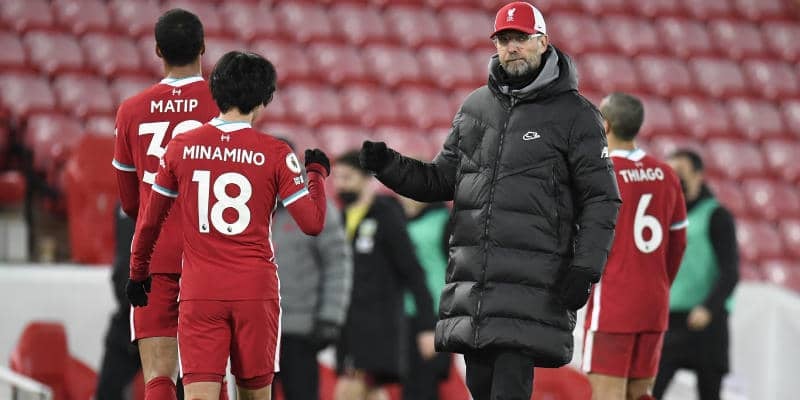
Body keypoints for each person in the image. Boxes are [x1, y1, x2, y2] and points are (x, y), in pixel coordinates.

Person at [357, 2, 621, 399]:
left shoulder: (576, 115)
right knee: (480, 390)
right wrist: (388, 166)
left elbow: (602, 198)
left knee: (508, 388)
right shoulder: (475, 107)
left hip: (532, 287)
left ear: (543, 42)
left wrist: (585, 268)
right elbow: (441, 180)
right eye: (503, 40)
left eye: (520, 38)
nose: (511, 47)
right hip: (476, 288)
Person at [127, 50, 331, 400]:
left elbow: (149, 221)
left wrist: (138, 271)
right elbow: (312, 223)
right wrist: (316, 174)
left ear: (215, 92)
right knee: (255, 396)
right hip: (255, 292)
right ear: (264, 100)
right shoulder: (276, 152)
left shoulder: (181, 147)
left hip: (201, 291)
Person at [111, 9, 218, 400]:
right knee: (209, 377)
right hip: (210, 255)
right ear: (203, 47)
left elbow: (129, 201)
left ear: (158, 51)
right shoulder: (223, 104)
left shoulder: (131, 110)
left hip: (154, 257)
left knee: (158, 376)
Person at [581, 93, 688, 400]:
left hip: (614, 305)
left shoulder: (600, 174)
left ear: (605, 124)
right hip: (654, 305)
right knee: (641, 394)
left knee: (607, 395)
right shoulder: (666, 174)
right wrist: (658, 283)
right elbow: (678, 243)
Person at [332, 151, 437, 400]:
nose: (339, 185)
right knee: (371, 392)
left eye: (347, 177)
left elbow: (413, 271)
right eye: (336, 178)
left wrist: (427, 326)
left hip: (379, 324)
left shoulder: (386, 215)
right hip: (348, 324)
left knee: (349, 391)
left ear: (366, 179)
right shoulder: (340, 219)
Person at [653, 149, 739, 400]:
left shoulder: (716, 216)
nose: (674, 178)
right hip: (671, 320)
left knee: (709, 392)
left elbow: (730, 271)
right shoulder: (665, 215)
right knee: (650, 389)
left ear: (699, 175)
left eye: (680, 172)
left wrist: (708, 308)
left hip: (707, 323)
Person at [272, 139, 353, 400]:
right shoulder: (244, 205)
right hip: (256, 331)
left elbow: (337, 263)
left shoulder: (316, 207)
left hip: (301, 330)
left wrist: (330, 318)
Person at [398, 195, 451, 400]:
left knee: (425, 385)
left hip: (434, 315)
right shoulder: (395, 218)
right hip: (401, 315)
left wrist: (433, 326)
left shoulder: (445, 221)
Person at [95, 205, 142, 399]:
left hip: (168, 317)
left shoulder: (178, 202)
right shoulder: (124, 205)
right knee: (107, 392)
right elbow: (123, 262)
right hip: (128, 317)